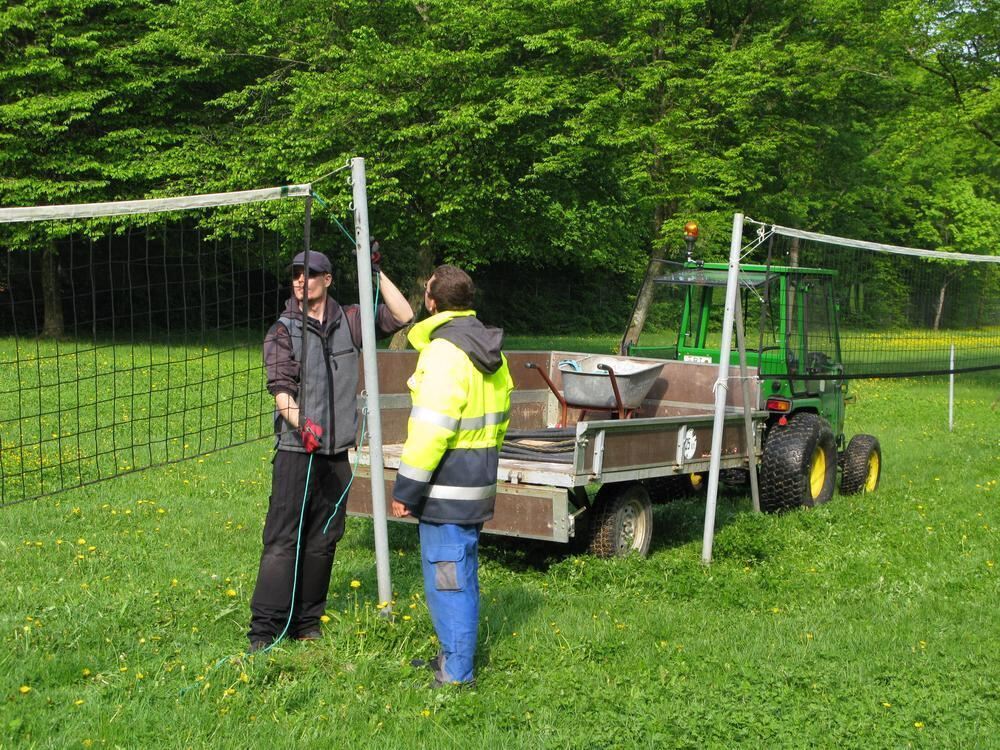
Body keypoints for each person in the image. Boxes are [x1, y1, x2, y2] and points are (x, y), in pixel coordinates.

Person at [248, 249, 413, 652]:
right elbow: (280, 390)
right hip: (296, 449)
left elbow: (404, 315)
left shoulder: (352, 321)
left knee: (324, 539)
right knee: (283, 539)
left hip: (338, 453)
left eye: (310, 274)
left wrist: (376, 271)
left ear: (328, 279)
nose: (301, 281)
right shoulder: (282, 331)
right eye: (296, 275)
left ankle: (307, 623)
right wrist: (301, 423)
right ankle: (264, 631)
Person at [390, 264, 514, 686]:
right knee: (461, 571)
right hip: (477, 478)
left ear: (432, 302)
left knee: (448, 579)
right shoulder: (489, 349)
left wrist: (406, 488)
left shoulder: (444, 353)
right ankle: (451, 657)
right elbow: (500, 417)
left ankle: (457, 673)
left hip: (446, 484)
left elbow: (431, 429)